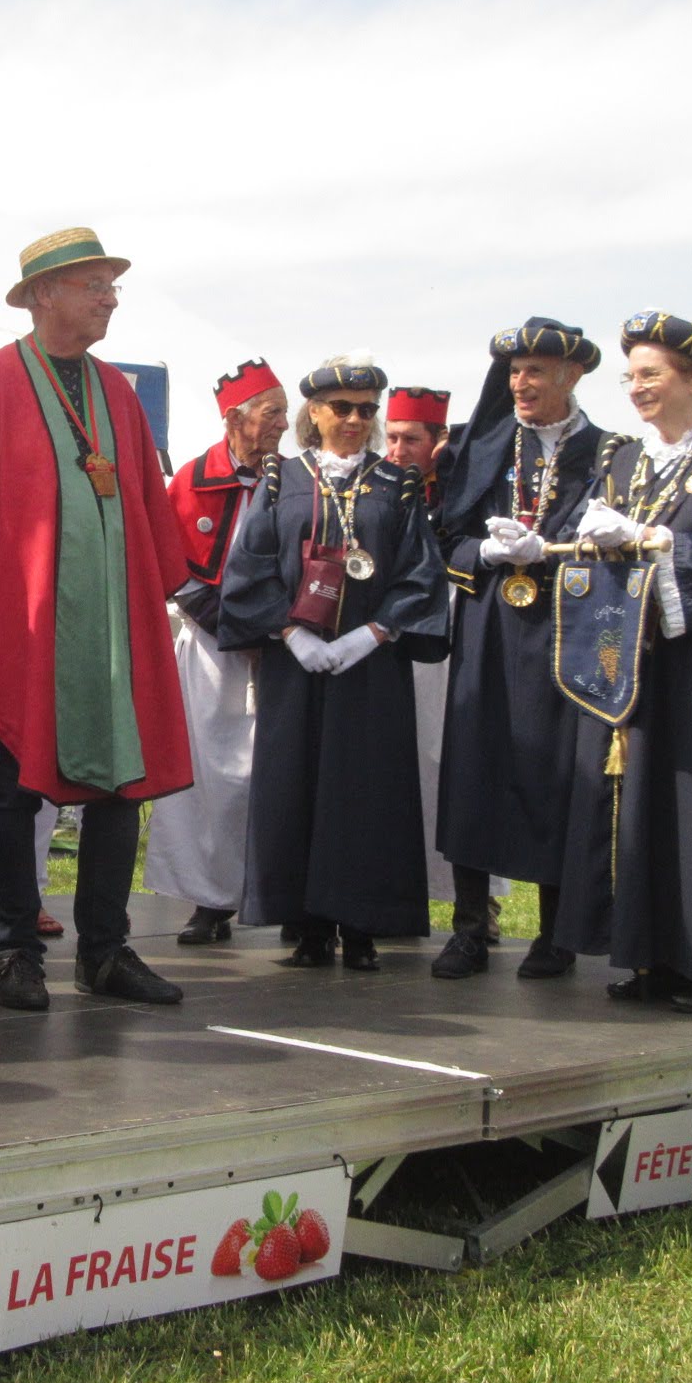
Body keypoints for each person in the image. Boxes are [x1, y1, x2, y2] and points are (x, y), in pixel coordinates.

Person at [0, 228, 191, 1011]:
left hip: (109, 628)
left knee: (120, 786)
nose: (110, 297)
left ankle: (106, 951)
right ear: (45, 294)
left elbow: (146, 509)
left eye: (111, 286)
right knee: (9, 789)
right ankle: (15, 953)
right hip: (15, 629)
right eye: (95, 284)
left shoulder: (118, 393)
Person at [553, 310, 692, 1012]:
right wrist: (565, 543)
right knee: (642, 805)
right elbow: (589, 533)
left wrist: (650, 539)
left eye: (650, 374)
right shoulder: (626, 459)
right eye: (631, 377)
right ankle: (653, 957)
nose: (636, 388)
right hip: (640, 663)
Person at [219, 356, 450, 969]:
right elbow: (251, 566)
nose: (354, 419)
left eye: (366, 410)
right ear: (313, 413)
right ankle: (310, 926)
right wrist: (290, 634)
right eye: (341, 408)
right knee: (296, 784)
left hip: (370, 667)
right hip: (297, 664)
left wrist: (373, 633)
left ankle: (365, 926)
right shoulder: (280, 479)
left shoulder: (397, 485)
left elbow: (420, 574)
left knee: (366, 789)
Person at [428, 320, 606, 981]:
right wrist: (487, 552)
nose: (522, 384)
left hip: (565, 631)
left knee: (557, 774)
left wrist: (559, 556)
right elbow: (444, 546)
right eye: (514, 372)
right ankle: (471, 928)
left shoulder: (610, 453)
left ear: (572, 374)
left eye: (535, 370)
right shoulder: (477, 448)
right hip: (488, 630)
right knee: (473, 771)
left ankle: (555, 933)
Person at [146, 359, 289, 945]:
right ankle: (210, 899)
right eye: (271, 412)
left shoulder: (295, 477)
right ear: (235, 418)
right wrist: (223, 622)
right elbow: (170, 554)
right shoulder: (191, 477)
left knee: (280, 774)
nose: (283, 423)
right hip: (210, 648)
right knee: (209, 775)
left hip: (282, 648)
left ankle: (286, 896)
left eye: (284, 411)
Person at [379, 384, 460, 920]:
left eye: (411, 439)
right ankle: (395, 886)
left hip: (449, 642)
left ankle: (469, 900)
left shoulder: (460, 495)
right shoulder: (378, 488)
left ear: (438, 441)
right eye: (391, 438)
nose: (397, 451)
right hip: (392, 641)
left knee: (448, 762)